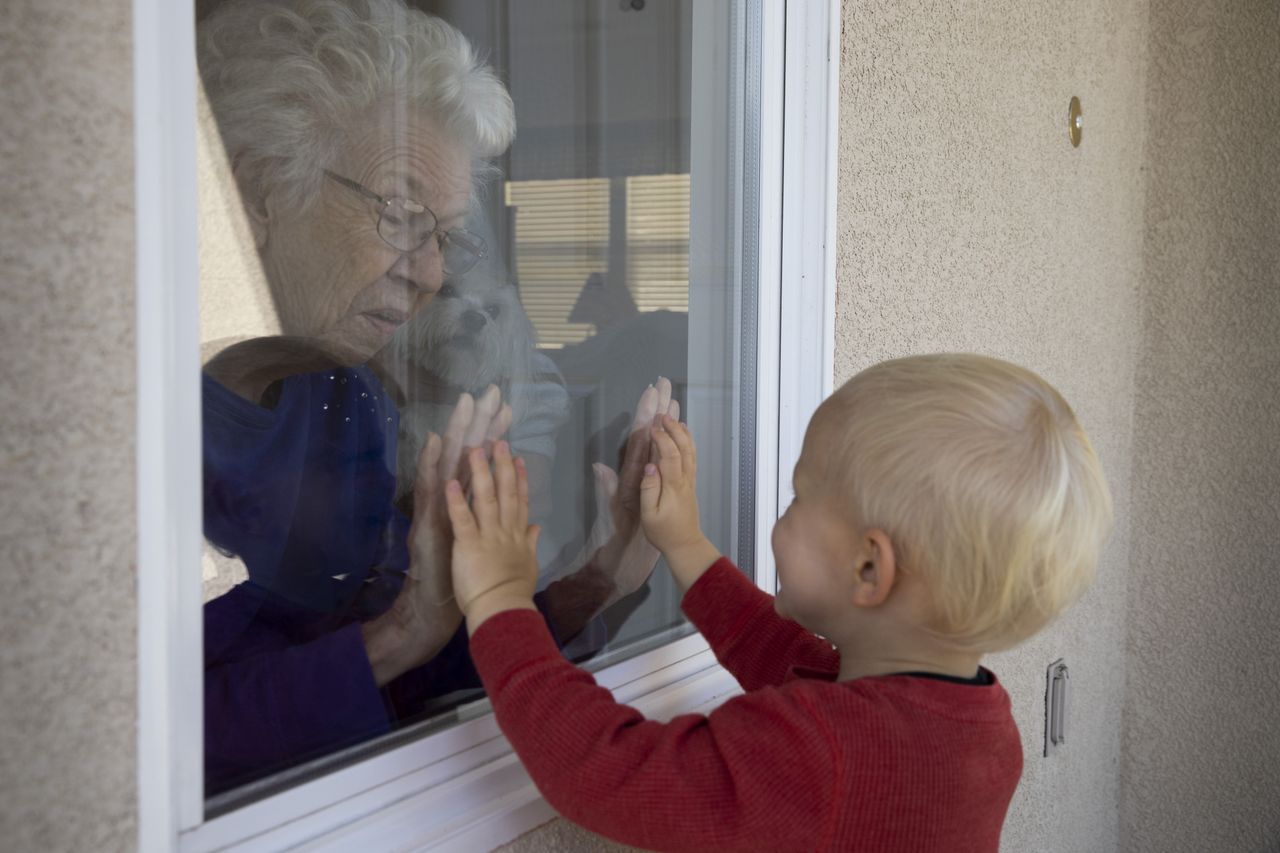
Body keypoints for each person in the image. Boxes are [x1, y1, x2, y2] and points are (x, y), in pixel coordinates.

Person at [197, 0, 670, 794]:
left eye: (444, 236)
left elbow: (405, 673)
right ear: (260, 189)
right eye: (402, 215)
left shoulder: (351, 406)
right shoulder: (122, 426)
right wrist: (398, 635)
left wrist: (601, 577)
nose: (429, 274)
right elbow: (133, 742)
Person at [444, 353, 1114, 852]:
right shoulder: (975, 720)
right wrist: (684, 542)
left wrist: (503, 601)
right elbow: (785, 655)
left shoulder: (826, 755)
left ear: (869, 567)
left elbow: (607, 770)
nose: (781, 511)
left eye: (798, 496)